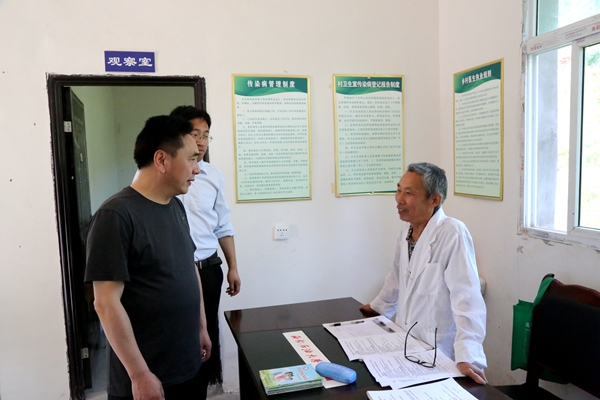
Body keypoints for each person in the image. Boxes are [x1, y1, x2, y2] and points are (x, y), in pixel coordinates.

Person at [85, 115, 211, 400]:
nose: (197, 169)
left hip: (186, 363)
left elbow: (189, 267)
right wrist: (139, 374)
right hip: (148, 377)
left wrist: (200, 327)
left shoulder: (176, 207)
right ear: (161, 160)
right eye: (191, 159)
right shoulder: (115, 216)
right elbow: (105, 303)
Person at [360, 162, 487, 384]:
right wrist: (379, 307)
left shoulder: (453, 232)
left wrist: (468, 356)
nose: (399, 199)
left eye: (409, 193)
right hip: (407, 342)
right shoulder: (406, 230)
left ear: (434, 200)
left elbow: (467, 299)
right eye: (399, 190)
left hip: (440, 350)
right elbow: (396, 278)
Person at [169, 106, 241, 399]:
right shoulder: (161, 173)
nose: (200, 141)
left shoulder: (213, 175)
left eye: (205, 135)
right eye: (194, 134)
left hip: (208, 268)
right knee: (176, 335)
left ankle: (199, 393)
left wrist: (232, 266)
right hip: (175, 271)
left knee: (206, 334)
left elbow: (223, 224)